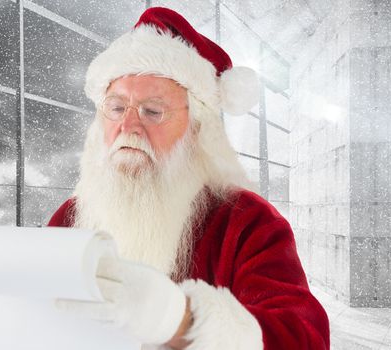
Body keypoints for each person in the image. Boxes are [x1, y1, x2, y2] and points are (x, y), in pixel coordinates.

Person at [48, 7, 329, 350]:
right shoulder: (70, 217)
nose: (129, 126)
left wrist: (181, 321)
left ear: (197, 130)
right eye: (117, 108)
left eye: (153, 111)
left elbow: (304, 336)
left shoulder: (248, 222)